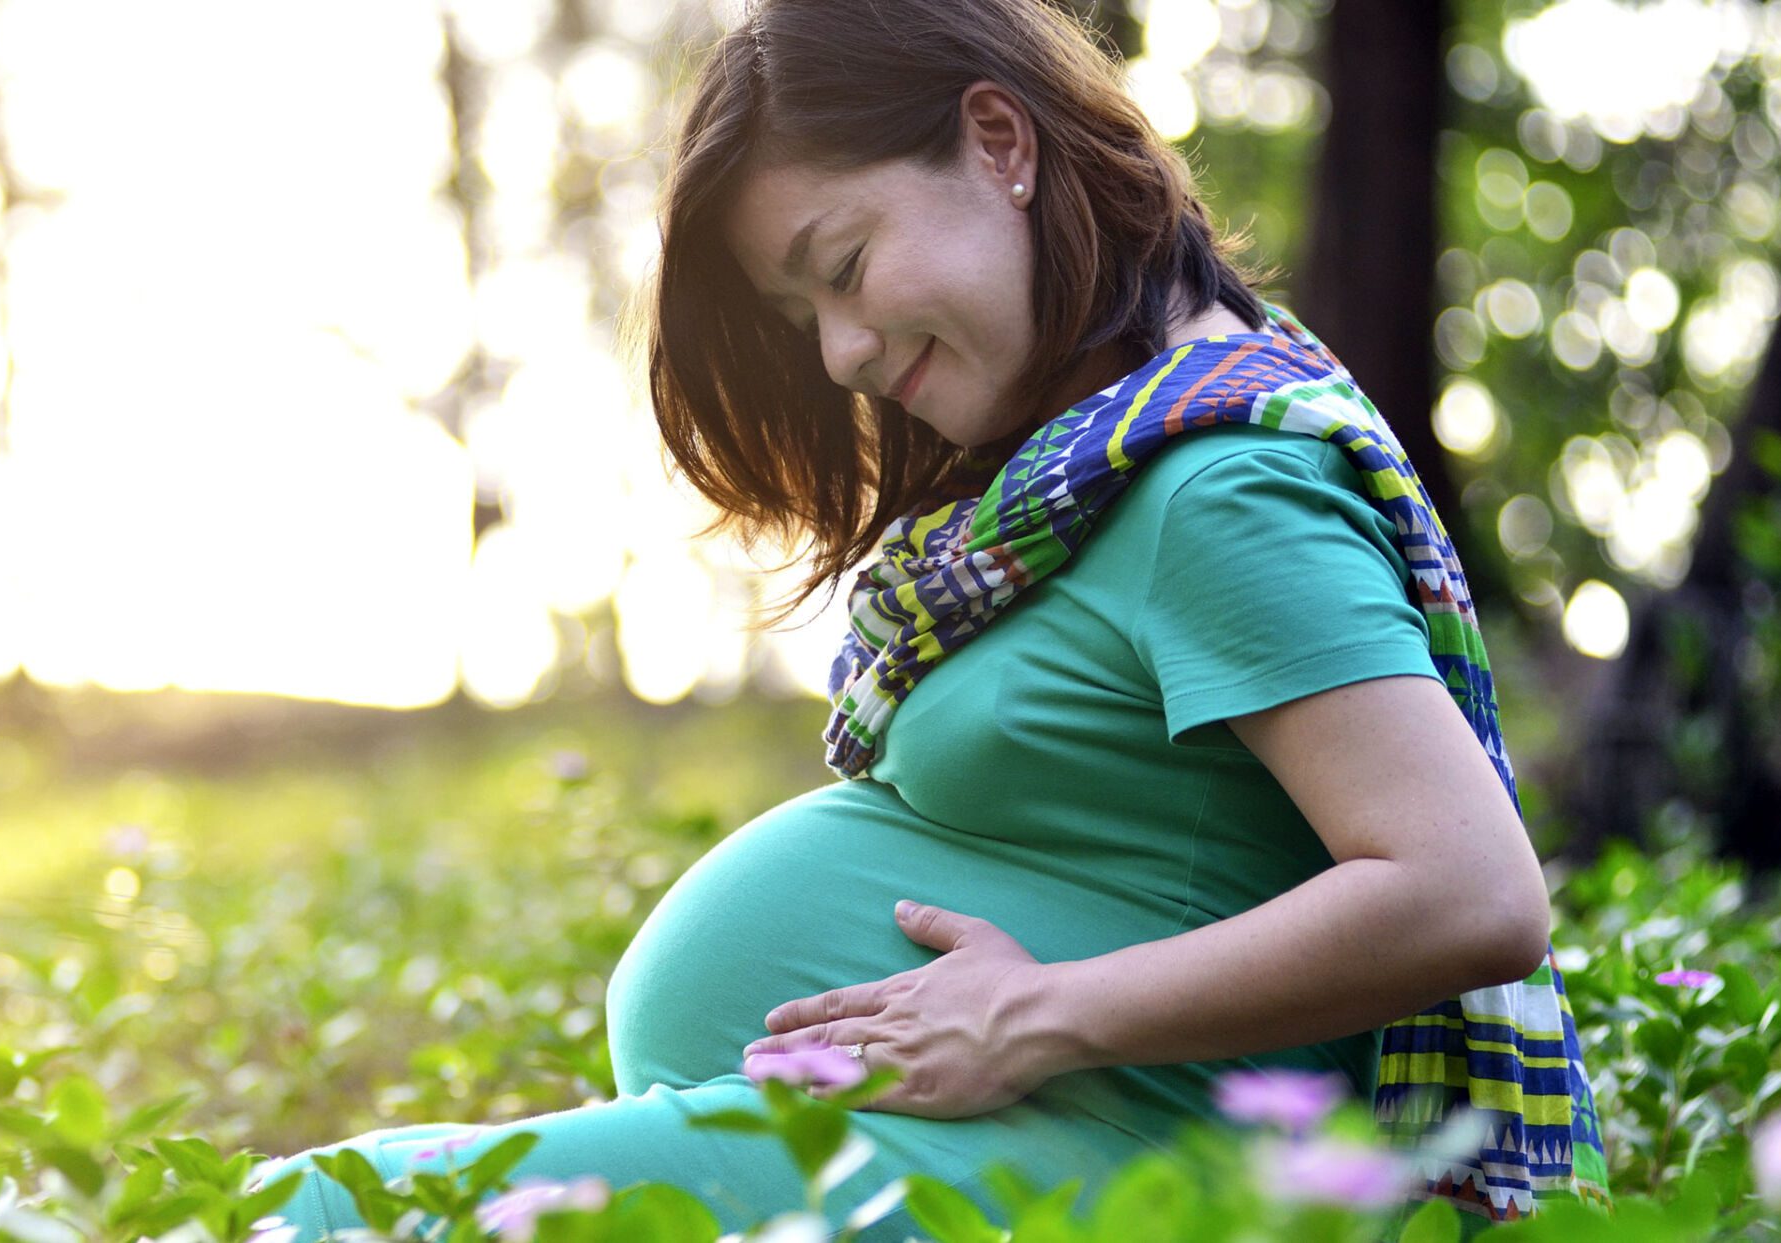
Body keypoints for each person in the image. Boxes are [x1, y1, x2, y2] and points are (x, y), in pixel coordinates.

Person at [250, 0, 1608, 1235]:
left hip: (1123, 1176)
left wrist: (1038, 1015)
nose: (839, 352)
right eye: (803, 316)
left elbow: (1469, 893)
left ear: (998, 141)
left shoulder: (1217, 487)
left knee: (327, 1214)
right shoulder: (1092, 478)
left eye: (839, 265)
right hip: (1014, 1153)